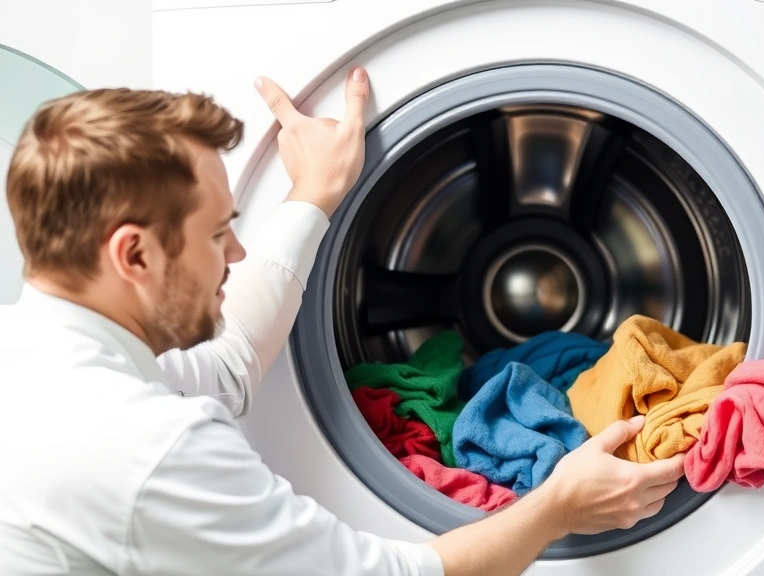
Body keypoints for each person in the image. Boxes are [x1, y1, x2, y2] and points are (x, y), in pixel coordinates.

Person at [0, 67, 686, 576]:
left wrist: (312, 196)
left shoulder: (43, 361)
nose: (236, 255)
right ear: (135, 254)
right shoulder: (145, 450)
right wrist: (560, 508)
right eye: (217, 236)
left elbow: (227, 365)